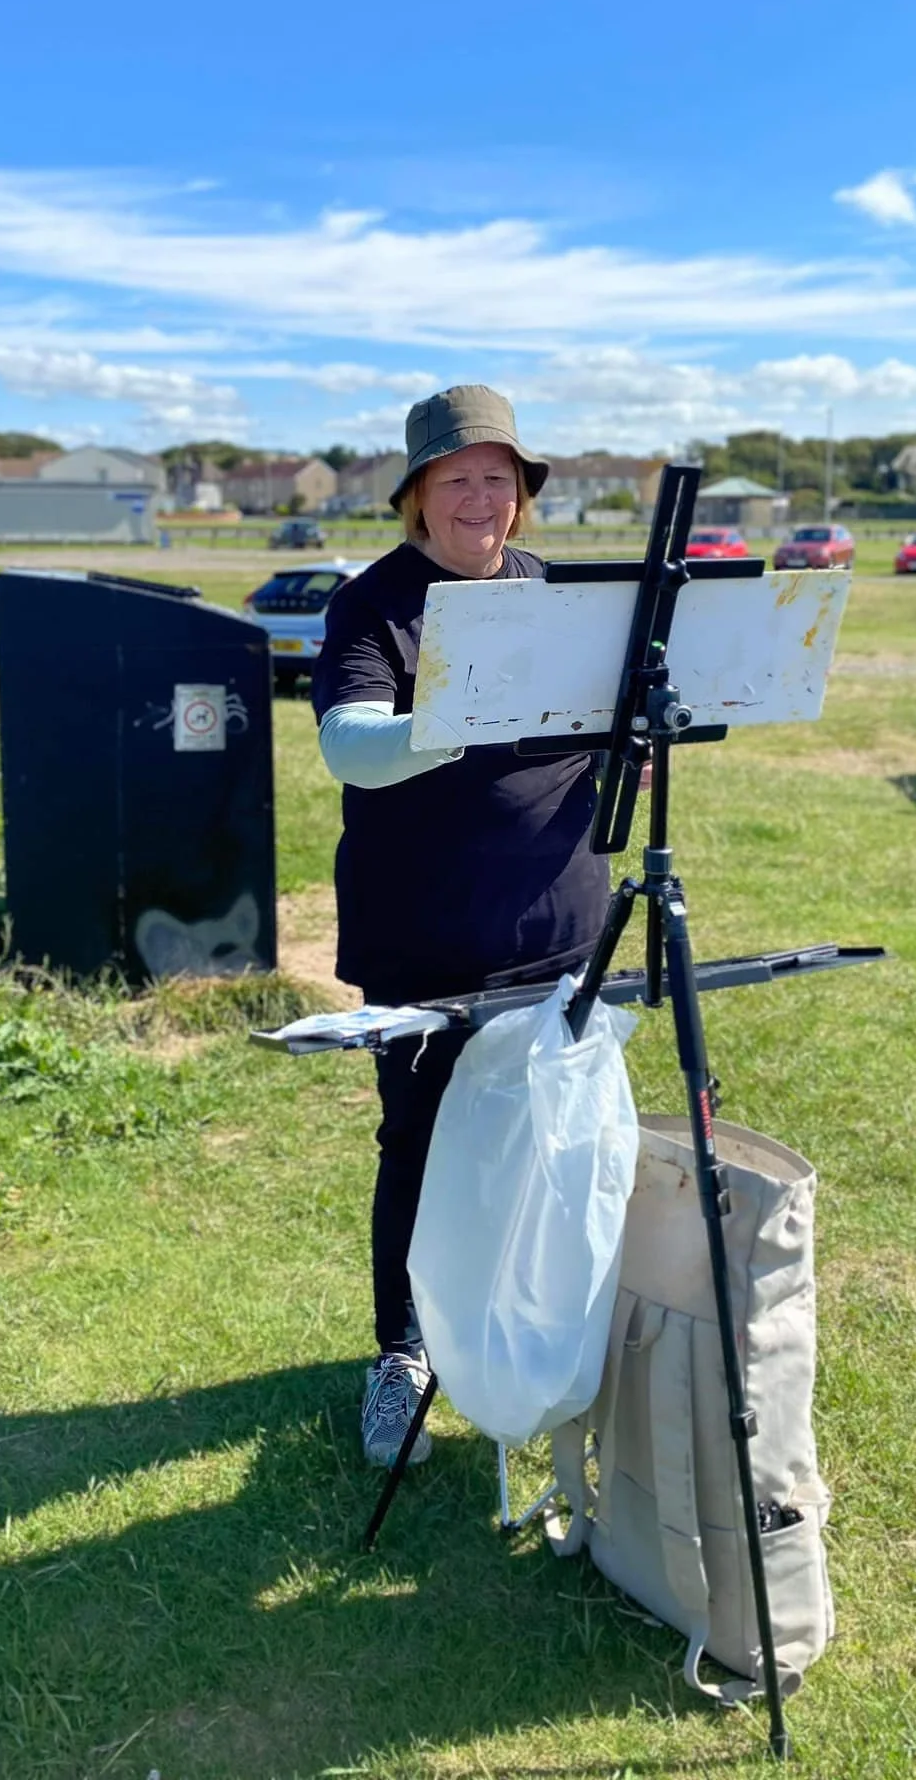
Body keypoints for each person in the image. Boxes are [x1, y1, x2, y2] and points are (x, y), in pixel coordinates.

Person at [311, 385, 610, 1467]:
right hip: (425, 937)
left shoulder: (557, 595)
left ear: (521, 495)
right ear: (418, 496)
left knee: (548, 1144)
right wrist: (459, 712)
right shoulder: (374, 605)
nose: (480, 498)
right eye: (457, 479)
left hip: (560, 928)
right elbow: (350, 747)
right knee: (422, 1143)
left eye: (498, 477)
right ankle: (403, 1353)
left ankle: (525, 1330)